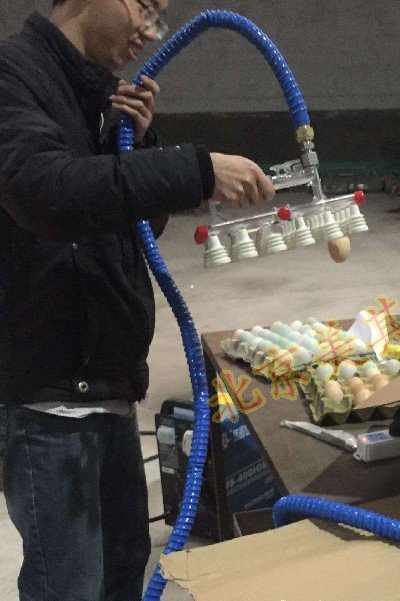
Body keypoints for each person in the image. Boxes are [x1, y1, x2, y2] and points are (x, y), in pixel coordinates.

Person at [0, 0, 276, 599]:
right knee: (68, 586)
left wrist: (141, 145)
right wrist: (194, 170)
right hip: (49, 400)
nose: (150, 32)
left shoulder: (98, 94)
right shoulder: (13, 75)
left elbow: (131, 226)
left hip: (108, 383)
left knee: (123, 569)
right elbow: (46, 192)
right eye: (146, 8)